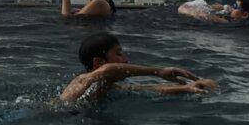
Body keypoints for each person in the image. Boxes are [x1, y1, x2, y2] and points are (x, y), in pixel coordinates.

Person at [60, 32, 219, 102]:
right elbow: (109, 69)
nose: (125, 59)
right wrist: (159, 71)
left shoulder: (108, 87)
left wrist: (189, 87)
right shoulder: (84, 80)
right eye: (119, 53)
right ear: (98, 62)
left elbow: (149, 90)